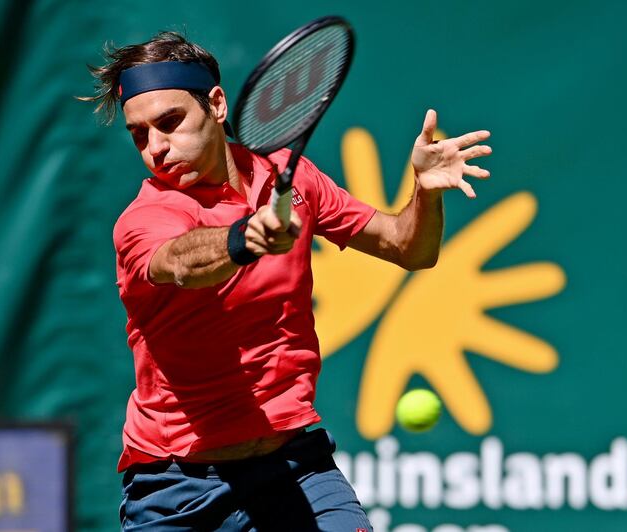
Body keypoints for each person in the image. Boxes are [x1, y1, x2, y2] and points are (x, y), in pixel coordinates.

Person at [83, 31, 491, 531]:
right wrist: (243, 238)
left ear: (215, 103)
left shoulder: (292, 179)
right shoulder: (144, 218)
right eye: (139, 134)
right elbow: (178, 262)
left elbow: (409, 248)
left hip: (295, 466)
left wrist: (425, 192)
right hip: (178, 486)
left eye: (169, 123)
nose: (156, 149)